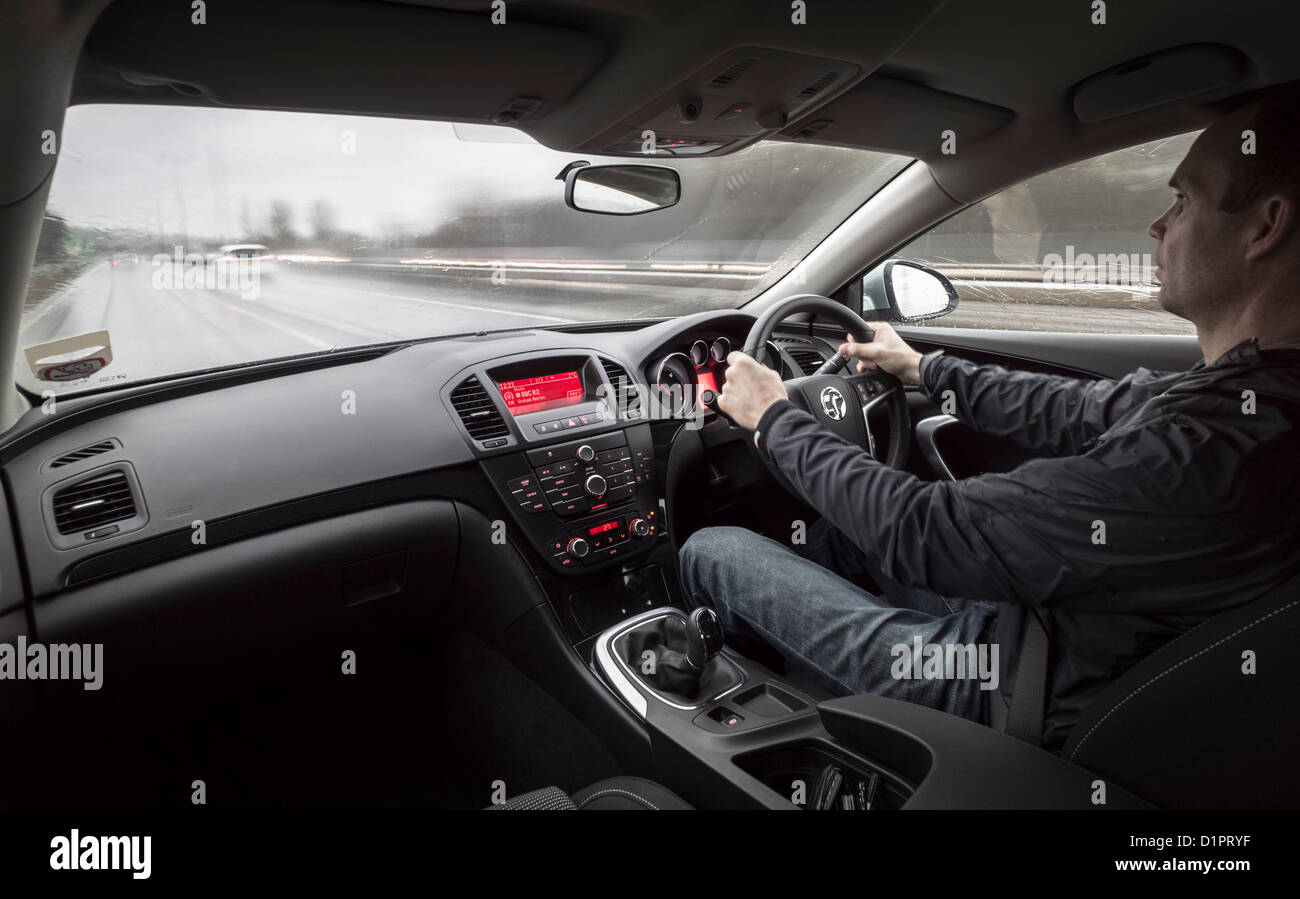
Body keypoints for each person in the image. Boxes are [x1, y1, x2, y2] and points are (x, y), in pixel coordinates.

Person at [679, 83, 1300, 752]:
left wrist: (774, 417)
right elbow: (1077, 408)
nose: (1157, 224)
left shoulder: (1212, 449)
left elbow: (925, 532)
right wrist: (923, 369)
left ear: (1265, 226)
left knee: (711, 551)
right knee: (839, 532)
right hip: (1048, 628)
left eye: (1183, 199)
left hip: (1013, 690)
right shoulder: (1250, 400)